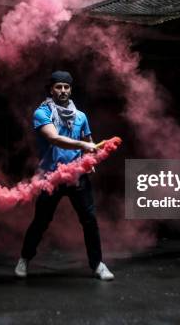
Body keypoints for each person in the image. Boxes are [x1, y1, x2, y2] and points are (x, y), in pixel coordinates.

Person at [14, 70, 114, 281]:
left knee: (89, 221)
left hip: (77, 176)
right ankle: (24, 259)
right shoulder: (42, 113)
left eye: (66, 87)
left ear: (71, 89)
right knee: (41, 222)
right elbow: (54, 138)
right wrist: (84, 145)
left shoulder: (80, 116)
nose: (63, 91)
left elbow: (88, 140)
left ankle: (97, 265)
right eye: (58, 87)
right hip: (51, 178)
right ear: (51, 89)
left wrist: (89, 159)